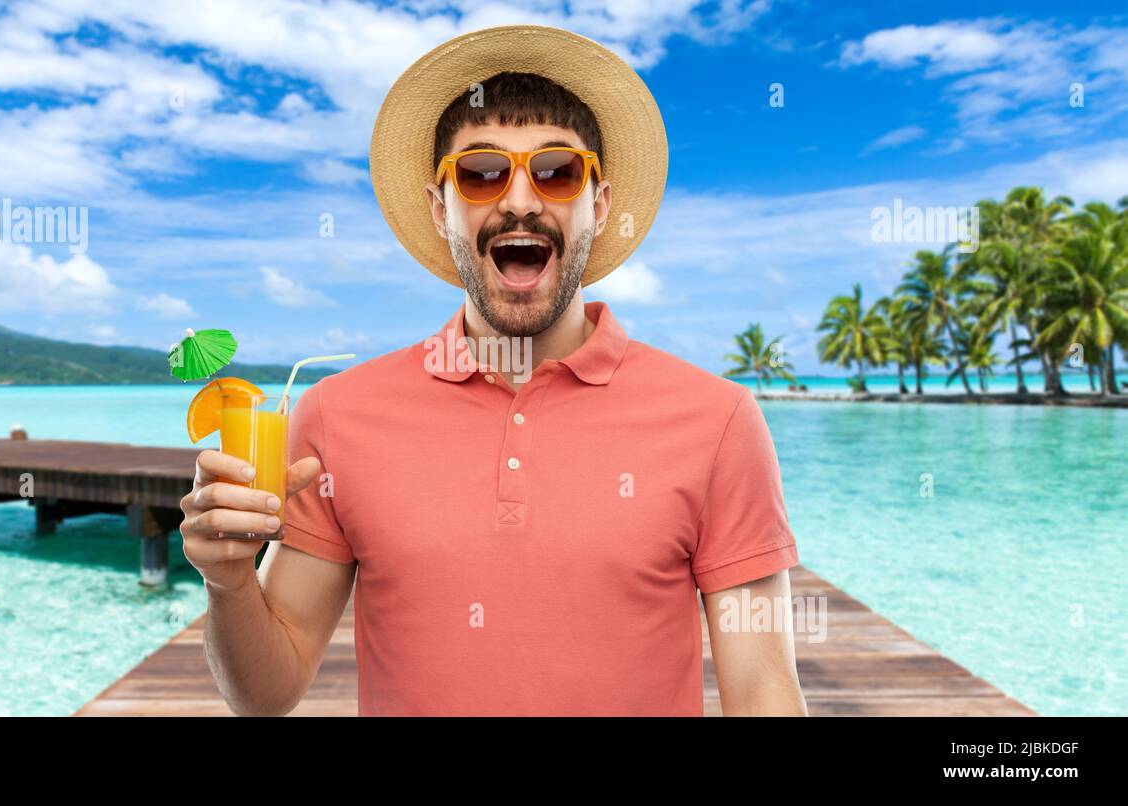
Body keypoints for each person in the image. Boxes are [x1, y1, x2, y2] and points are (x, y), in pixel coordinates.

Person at [180, 25, 805, 716]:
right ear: (438, 207)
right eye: (480, 174)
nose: (518, 200)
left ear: (597, 205)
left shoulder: (717, 422)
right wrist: (229, 583)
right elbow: (265, 695)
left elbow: (763, 692)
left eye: (556, 171)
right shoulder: (335, 416)